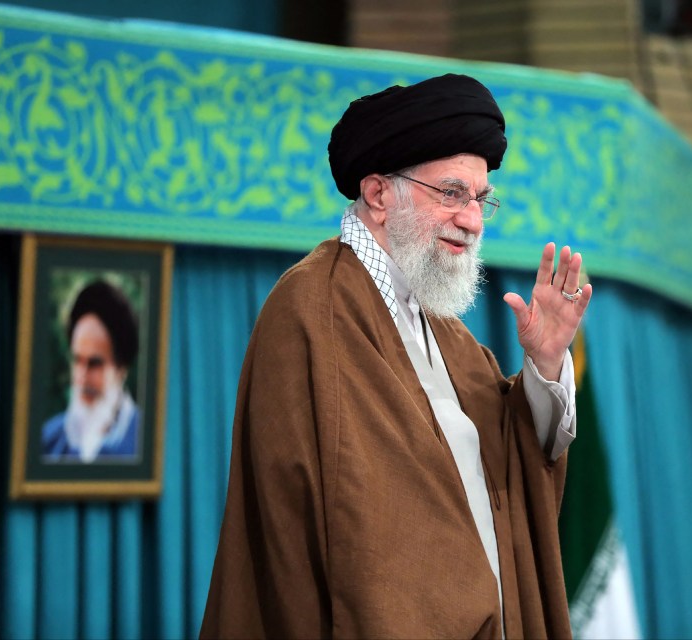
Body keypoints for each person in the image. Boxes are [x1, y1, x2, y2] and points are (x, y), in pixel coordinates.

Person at [200, 74, 593, 639]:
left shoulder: (448, 335)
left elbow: (514, 468)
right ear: (381, 194)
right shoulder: (313, 307)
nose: (473, 220)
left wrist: (546, 366)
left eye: (481, 200)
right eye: (452, 193)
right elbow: (330, 529)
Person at [41, 279, 141, 463]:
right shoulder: (48, 439)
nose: (82, 377)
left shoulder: (143, 440)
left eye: (94, 364)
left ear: (121, 369)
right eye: (77, 361)